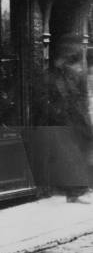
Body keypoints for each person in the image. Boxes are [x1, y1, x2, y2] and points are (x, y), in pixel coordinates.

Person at [45, 37, 92, 203]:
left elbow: (77, 97)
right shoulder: (53, 77)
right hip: (61, 122)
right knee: (70, 155)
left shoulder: (68, 74)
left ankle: (78, 190)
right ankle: (74, 192)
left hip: (73, 120)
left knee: (80, 151)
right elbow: (54, 101)